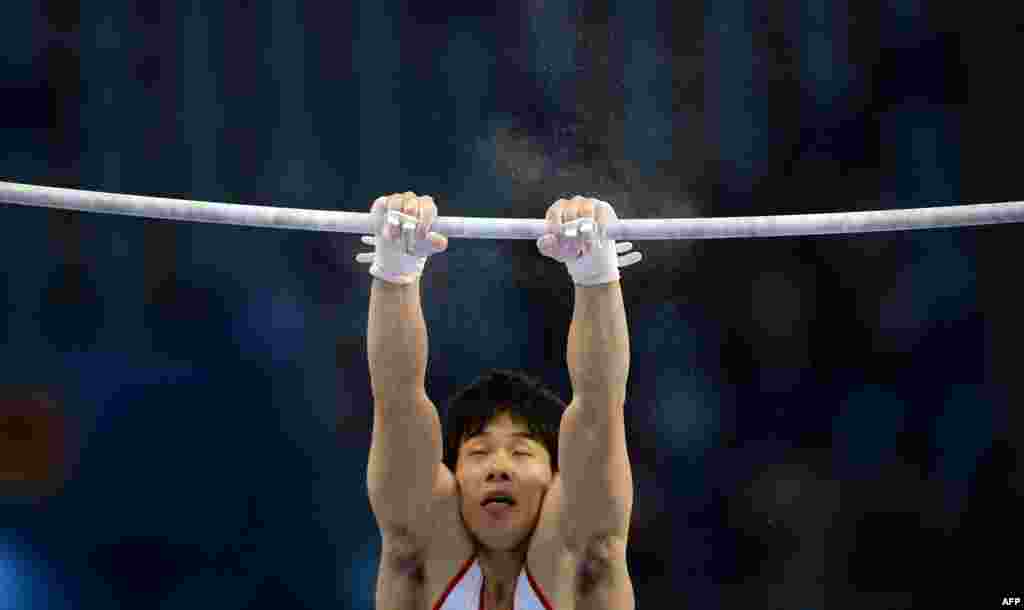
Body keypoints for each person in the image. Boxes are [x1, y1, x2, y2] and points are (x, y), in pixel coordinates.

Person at [361, 192, 642, 610]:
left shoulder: (584, 568)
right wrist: (395, 271)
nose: (499, 469)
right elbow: (396, 399)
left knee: (592, 541)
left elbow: (599, 407)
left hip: (565, 548)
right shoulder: (418, 558)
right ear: (451, 479)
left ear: (556, 479)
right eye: (478, 452)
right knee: (407, 530)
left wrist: (596, 273)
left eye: (521, 452)